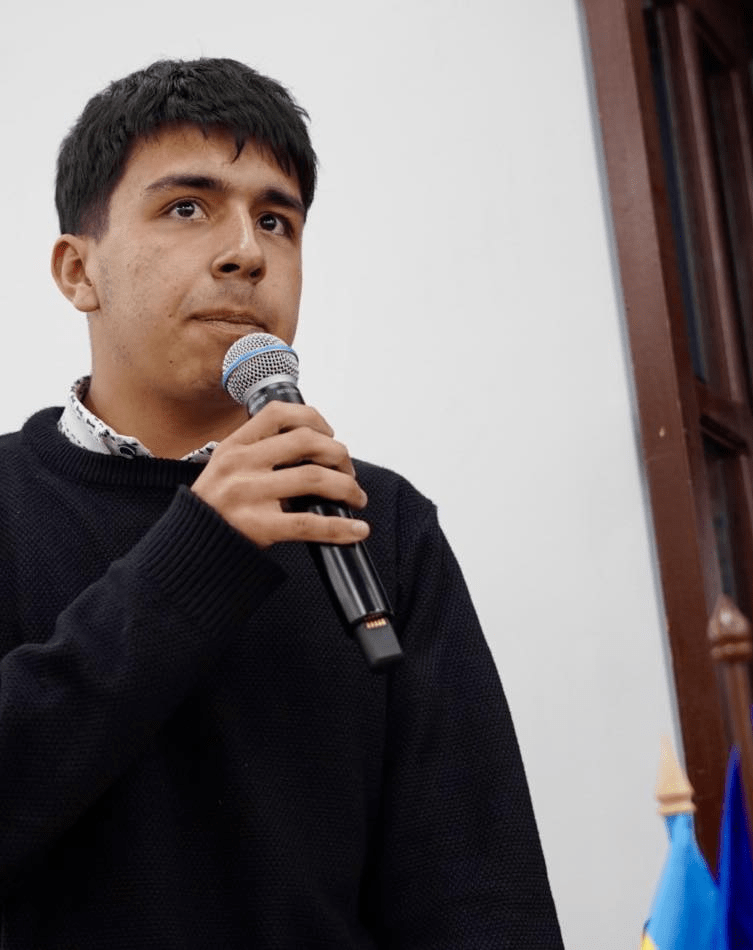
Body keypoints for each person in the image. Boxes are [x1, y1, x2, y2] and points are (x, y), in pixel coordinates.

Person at [0, 58, 563, 947]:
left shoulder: (379, 522)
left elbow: (481, 895)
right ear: (78, 270)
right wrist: (195, 558)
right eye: (187, 208)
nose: (247, 252)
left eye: (276, 220)